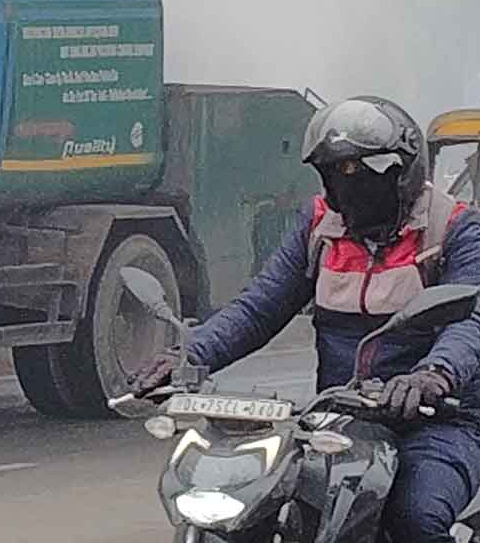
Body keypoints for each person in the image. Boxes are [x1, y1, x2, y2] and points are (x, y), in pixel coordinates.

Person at [129, 96, 480, 542]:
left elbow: (470, 321)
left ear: (403, 171)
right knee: (271, 506)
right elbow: (259, 307)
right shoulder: (319, 229)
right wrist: (186, 355)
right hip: (335, 418)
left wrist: (433, 374)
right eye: (338, 172)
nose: (350, 184)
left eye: (363, 171)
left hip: (437, 420)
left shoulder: (454, 229)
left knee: (414, 517)